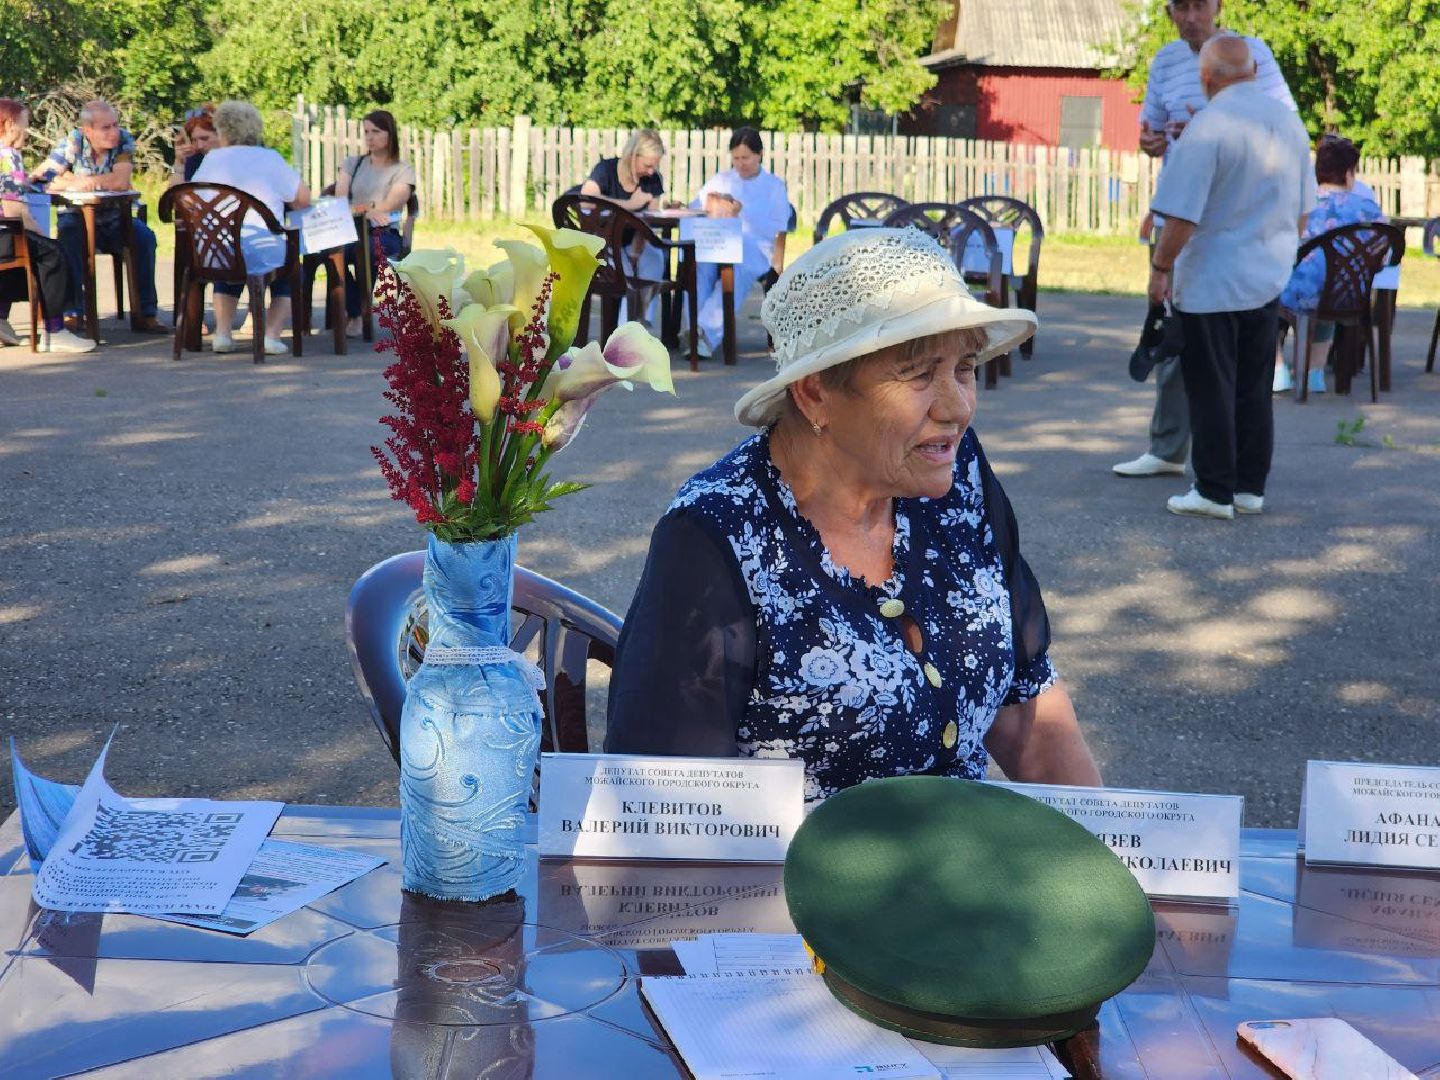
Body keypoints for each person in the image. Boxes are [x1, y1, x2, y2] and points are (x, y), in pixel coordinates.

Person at [606, 227, 1101, 803]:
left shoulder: (955, 475)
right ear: (815, 394)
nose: (957, 407)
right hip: (787, 889)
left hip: (966, 879)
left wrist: (1118, 865)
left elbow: (1026, 712)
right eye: (918, 374)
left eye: (964, 367)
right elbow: (663, 812)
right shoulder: (714, 536)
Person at [1115, 0, 1295, 479]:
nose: (1191, 17)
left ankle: (1224, 478)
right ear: (1171, 13)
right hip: (1183, 210)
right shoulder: (1166, 61)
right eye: (1181, 8)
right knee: (1175, 333)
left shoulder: (1250, 54)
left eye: (1200, 6)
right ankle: (1169, 449)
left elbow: (1281, 121)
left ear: (1217, 8)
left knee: (1229, 355)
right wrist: (1154, 141)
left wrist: (1207, 125)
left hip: (1236, 217)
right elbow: (1148, 133)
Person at [1148, 36, 1314, 520]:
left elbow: (1181, 218)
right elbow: (1304, 213)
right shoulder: (1289, 124)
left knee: (1211, 386)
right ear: (1255, 69)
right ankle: (1248, 486)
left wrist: (1160, 269)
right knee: (1254, 385)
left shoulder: (1208, 127)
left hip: (1213, 279)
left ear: (1206, 78)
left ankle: (1214, 490)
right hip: (1267, 275)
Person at [33, 99, 167, 333]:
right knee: (68, 240)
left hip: (117, 217)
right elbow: (41, 178)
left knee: (144, 238)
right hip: (77, 217)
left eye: (115, 125)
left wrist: (78, 182)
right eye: (106, 127)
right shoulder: (72, 143)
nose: (114, 132)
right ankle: (72, 312)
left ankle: (145, 313)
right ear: (87, 130)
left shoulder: (124, 142)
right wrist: (68, 181)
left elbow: (120, 181)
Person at [191, 100, 311, 355]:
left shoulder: (211, 160)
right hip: (262, 248)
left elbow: (193, 199)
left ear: (222, 129)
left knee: (231, 255)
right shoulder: (269, 158)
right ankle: (271, 335)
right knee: (290, 269)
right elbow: (302, 199)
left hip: (214, 251)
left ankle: (223, 334)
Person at [1273, 135, 1385, 395]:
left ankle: (1278, 370)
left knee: (1265, 296)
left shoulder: (1298, 204)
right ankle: (1315, 373)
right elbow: (1387, 251)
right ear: (1348, 173)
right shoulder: (1367, 208)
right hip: (1349, 295)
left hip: (1298, 293)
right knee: (1333, 284)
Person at [0, 99, 94, 353]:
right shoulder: (8, 157)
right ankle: (55, 330)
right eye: (24, 124)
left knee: (33, 254)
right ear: (9, 125)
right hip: (5, 234)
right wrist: (42, 235)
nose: (27, 131)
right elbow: (14, 209)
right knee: (54, 253)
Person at [689, 127, 791, 359]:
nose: (741, 163)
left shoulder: (773, 185)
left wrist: (740, 216)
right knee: (701, 265)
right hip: (719, 242)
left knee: (738, 269)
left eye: (746, 157)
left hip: (756, 248)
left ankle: (704, 332)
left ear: (760, 155)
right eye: (736, 158)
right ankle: (693, 330)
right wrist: (714, 209)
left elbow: (779, 225)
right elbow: (696, 206)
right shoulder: (722, 180)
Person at [334, 109, 415, 337]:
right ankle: (356, 310)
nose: (369, 137)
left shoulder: (402, 170)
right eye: (366, 131)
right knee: (331, 254)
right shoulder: (352, 164)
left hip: (384, 231)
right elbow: (340, 202)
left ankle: (359, 313)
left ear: (390, 134)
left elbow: (390, 204)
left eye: (376, 131)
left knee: (370, 251)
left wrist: (362, 209)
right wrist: (367, 211)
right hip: (350, 229)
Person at [580, 129, 667, 316]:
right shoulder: (606, 170)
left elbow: (651, 218)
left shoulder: (652, 179)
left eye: (655, 166)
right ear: (633, 155)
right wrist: (629, 205)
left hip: (635, 241)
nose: (651, 171)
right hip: (604, 243)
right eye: (647, 165)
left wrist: (639, 246)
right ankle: (625, 333)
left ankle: (641, 321)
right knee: (625, 272)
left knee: (655, 259)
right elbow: (586, 199)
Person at [170, 107, 217, 186]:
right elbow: (176, 196)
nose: (200, 146)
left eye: (205, 138)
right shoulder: (194, 158)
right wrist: (179, 162)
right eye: (194, 140)